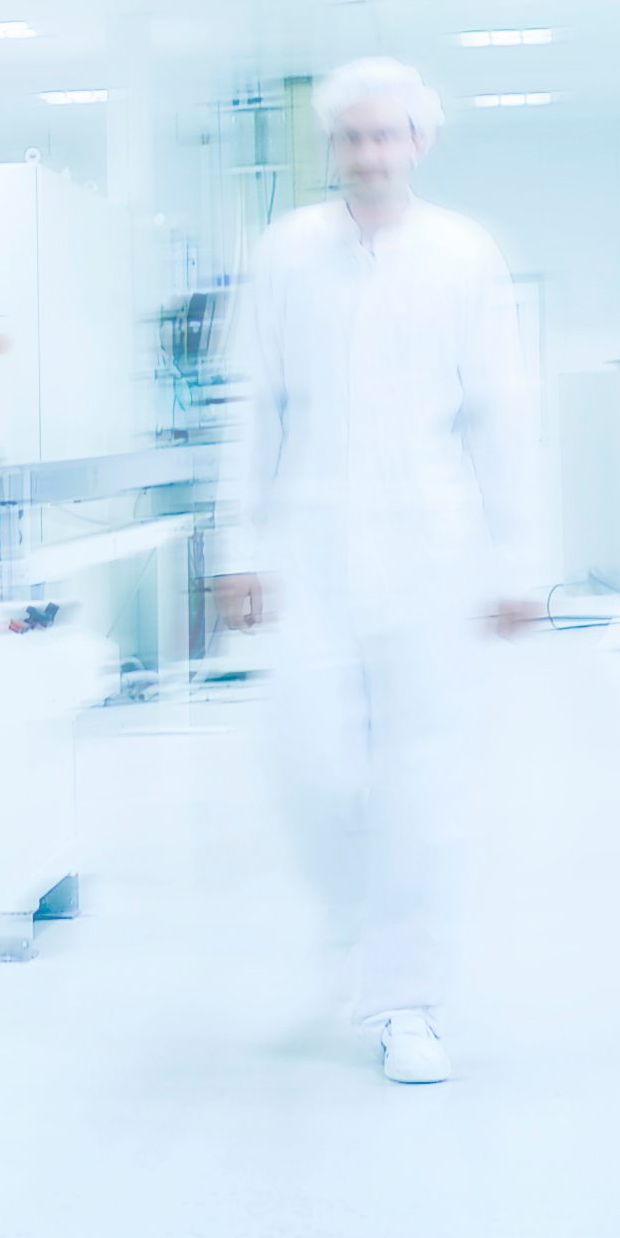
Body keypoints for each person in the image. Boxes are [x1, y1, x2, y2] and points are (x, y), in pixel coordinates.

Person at [211, 58, 555, 1086]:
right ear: (333, 148)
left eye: (384, 136)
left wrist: (518, 558)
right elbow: (249, 404)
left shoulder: (462, 254)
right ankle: (360, 939)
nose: (366, 154)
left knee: (423, 777)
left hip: (432, 543)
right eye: (350, 138)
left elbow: (499, 410)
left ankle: (408, 1001)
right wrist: (236, 547)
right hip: (305, 537)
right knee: (312, 767)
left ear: (418, 141)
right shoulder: (285, 254)